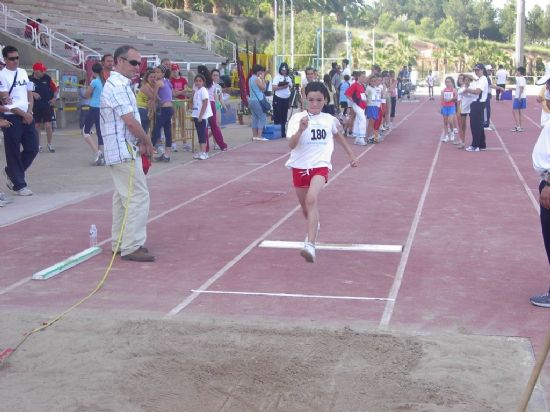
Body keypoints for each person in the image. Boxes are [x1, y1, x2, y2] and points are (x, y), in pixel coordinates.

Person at [285, 81, 358, 263]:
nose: (315, 104)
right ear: (305, 99)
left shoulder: (328, 119)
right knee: (305, 208)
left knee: (311, 199)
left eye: (319, 100)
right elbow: (291, 145)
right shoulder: (297, 119)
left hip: (320, 165)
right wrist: (301, 130)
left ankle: (310, 245)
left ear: (325, 100)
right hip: (300, 167)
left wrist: (351, 155)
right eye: (311, 100)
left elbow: (338, 135)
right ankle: (314, 226)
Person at [100, 45, 155, 262]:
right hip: (122, 150)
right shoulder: (118, 86)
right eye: (133, 63)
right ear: (119, 61)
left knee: (122, 198)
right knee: (138, 196)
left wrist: (140, 142)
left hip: (122, 149)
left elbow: (130, 122)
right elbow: (130, 121)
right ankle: (131, 245)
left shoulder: (121, 84)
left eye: (139, 63)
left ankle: (120, 242)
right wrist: (147, 141)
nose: (137, 68)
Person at [0, 45, 38, 196]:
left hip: (27, 115)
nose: (15, 61)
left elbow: (29, 92)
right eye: (11, 59)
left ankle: (12, 172)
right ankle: (19, 184)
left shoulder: (22, 72)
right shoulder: (2, 75)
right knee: (13, 151)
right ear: (5, 60)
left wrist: (29, 112)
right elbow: (6, 100)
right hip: (11, 117)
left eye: (17, 58)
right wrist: (23, 114)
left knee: (33, 147)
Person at [198, 65, 227, 151]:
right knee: (214, 126)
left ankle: (208, 146)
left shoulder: (201, 83)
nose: (215, 77)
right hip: (212, 104)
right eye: (214, 75)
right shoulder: (212, 84)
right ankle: (220, 144)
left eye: (217, 75)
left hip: (208, 104)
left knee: (208, 126)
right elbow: (215, 97)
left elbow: (218, 97)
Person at [29, 62, 57, 153]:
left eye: (44, 70)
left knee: (48, 125)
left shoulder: (47, 78)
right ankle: (38, 145)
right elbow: (24, 91)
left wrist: (54, 98)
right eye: (42, 71)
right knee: (36, 126)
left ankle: (49, 143)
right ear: (35, 71)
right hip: (35, 106)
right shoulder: (29, 79)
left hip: (47, 105)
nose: (43, 72)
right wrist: (32, 93)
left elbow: (55, 89)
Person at [463, 63, 488, 152]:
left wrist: (467, 90)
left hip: (478, 104)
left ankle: (475, 145)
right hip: (478, 103)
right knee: (479, 125)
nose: (476, 71)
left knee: (475, 126)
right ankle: (481, 144)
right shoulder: (480, 79)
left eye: (477, 70)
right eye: (475, 70)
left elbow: (477, 91)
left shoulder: (482, 79)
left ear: (482, 70)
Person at [83, 62, 105, 165]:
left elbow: (86, 95)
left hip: (94, 108)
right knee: (100, 132)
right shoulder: (105, 81)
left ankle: (97, 153)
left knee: (85, 131)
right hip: (103, 109)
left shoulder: (95, 82)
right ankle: (102, 156)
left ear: (93, 71)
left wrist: (90, 83)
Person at [151, 65, 173, 162]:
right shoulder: (167, 82)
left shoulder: (159, 83)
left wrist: (156, 103)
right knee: (167, 131)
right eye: (155, 72)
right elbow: (169, 94)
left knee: (156, 129)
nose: (156, 74)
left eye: (158, 72)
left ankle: (150, 151)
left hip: (165, 109)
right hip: (169, 108)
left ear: (163, 74)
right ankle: (167, 154)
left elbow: (154, 96)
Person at [191, 74, 212, 160]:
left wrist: (200, 116)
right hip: (196, 115)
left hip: (202, 116)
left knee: (203, 134)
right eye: (196, 81)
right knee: (199, 134)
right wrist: (194, 115)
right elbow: (196, 104)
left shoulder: (203, 90)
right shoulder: (197, 91)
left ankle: (204, 152)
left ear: (203, 82)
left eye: (200, 81)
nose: (198, 82)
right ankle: (201, 151)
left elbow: (205, 103)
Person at [345, 71, 367, 146]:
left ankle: (357, 137)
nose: (364, 78)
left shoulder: (362, 85)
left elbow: (363, 95)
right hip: (357, 104)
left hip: (362, 105)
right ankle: (361, 137)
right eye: (363, 77)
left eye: (365, 77)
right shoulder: (354, 85)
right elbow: (347, 94)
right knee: (362, 119)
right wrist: (353, 101)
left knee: (358, 119)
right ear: (358, 77)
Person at [456, 74, 476, 149]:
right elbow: (460, 94)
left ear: (470, 81)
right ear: (464, 81)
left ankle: (474, 142)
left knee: (473, 125)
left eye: (468, 80)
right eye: (465, 80)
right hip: (464, 107)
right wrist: (458, 110)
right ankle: (462, 142)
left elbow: (475, 93)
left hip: (472, 107)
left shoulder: (473, 87)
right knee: (463, 125)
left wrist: (468, 89)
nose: (467, 81)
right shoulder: (462, 88)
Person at [272, 62, 292, 138]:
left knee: (284, 116)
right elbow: (274, 88)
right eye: (283, 69)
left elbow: (290, 86)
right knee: (277, 115)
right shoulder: (277, 77)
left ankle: (283, 132)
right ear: (280, 69)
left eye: (285, 69)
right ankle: (277, 133)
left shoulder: (288, 78)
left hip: (286, 98)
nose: (284, 71)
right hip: (278, 98)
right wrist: (282, 87)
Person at [248, 64, 267, 141]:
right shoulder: (257, 79)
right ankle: (259, 136)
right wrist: (262, 79)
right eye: (261, 71)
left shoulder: (250, 79)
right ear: (258, 71)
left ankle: (255, 136)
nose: (262, 73)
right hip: (258, 100)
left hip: (251, 100)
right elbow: (263, 88)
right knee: (262, 118)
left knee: (255, 118)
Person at [136, 69, 158, 136]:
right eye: (151, 77)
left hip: (147, 109)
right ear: (147, 78)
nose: (153, 79)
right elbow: (153, 97)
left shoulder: (151, 86)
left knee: (145, 129)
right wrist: (157, 86)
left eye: (154, 77)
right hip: (142, 109)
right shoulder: (145, 86)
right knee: (143, 129)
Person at [440, 76, 457, 143]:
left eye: (449, 82)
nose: (448, 83)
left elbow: (456, 98)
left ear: (451, 82)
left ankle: (452, 132)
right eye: (446, 82)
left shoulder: (454, 90)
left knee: (450, 121)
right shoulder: (443, 90)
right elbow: (441, 99)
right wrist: (442, 103)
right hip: (445, 107)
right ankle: (446, 136)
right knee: (445, 122)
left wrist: (451, 99)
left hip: (451, 107)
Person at [512, 66, 527, 132]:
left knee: (514, 112)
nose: (516, 72)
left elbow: (521, 88)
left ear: (520, 72)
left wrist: (519, 97)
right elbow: (519, 88)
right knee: (520, 112)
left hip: (519, 97)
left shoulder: (520, 79)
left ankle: (518, 127)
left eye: (517, 71)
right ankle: (520, 126)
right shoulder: (522, 78)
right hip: (522, 97)